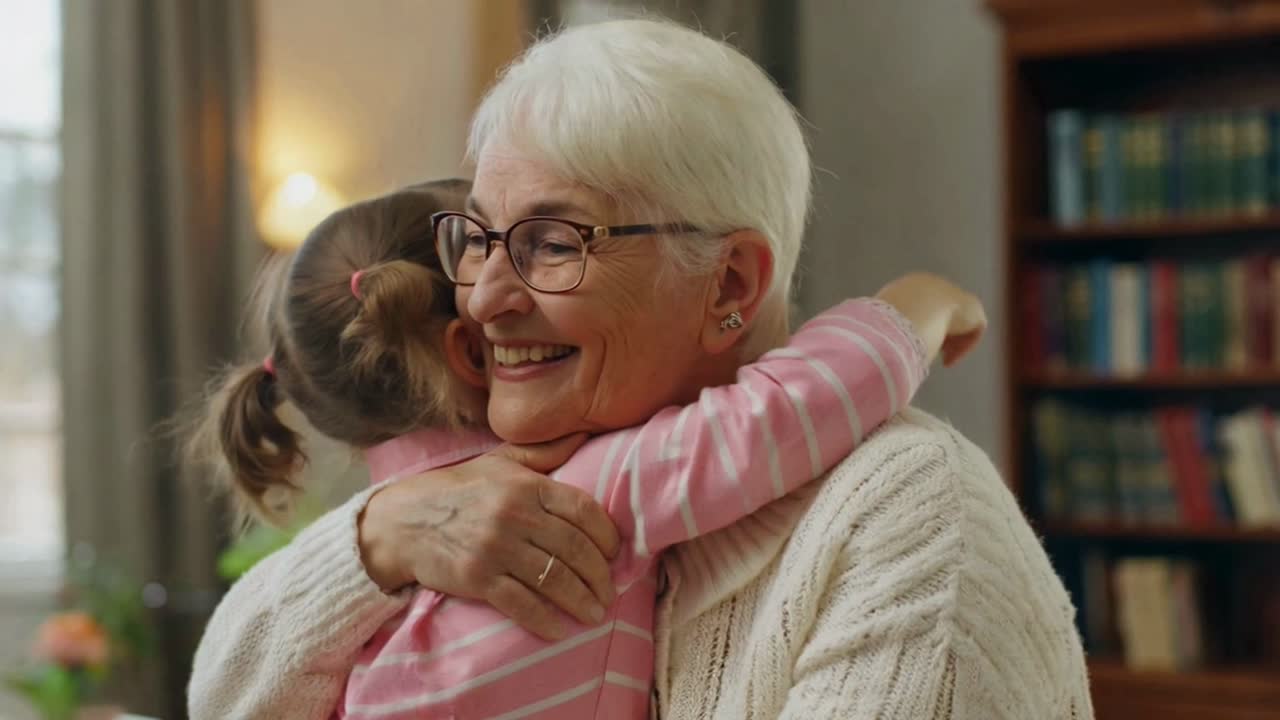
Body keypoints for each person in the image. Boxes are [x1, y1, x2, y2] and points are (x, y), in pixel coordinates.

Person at [189, 18, 1092, 720]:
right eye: (476, 240)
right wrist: (372, 542)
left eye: (551, 243)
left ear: (729, 281)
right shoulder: (461, 505)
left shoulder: (908, 513)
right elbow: (225, 695)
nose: (482, 299)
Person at [190, 173, 982, 716]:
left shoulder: (361, 616)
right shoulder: (567, 490)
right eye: (519, 252)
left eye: (550, 247)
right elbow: (790, 406)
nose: (532, 283)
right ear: (480, 345)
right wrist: (916, 303)